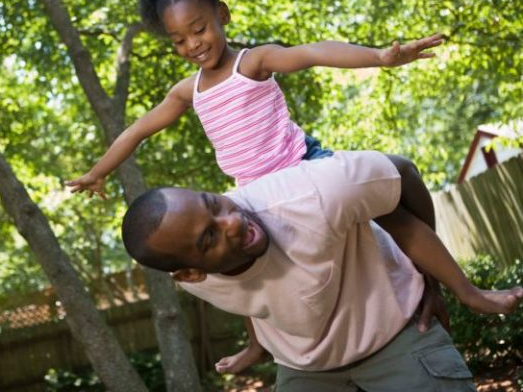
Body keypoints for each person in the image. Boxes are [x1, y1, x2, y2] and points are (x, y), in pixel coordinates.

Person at [68, 0, 519, 371]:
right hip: (251, 190)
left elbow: (313, 52)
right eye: (179, 40)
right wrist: (97, 171)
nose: (192, 44)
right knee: (241, 273)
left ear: (222, 16)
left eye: (200, 28)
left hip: (301, 165)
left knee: (395, 217)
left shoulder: (254, 62)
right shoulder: (189, 90)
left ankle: (466, 290)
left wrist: (379, 58)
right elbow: (138, 130)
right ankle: (258, 343)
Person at [121, 151, 522, 390]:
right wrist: (257, 345)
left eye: (214, 202)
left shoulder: (316, 193)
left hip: (395, 335)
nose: (233, 222)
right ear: (190, 274)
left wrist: (447, 284)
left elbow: (402, 176)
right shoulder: (197, 282)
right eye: (210, 238)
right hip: (304, 368)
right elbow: (244, 295)